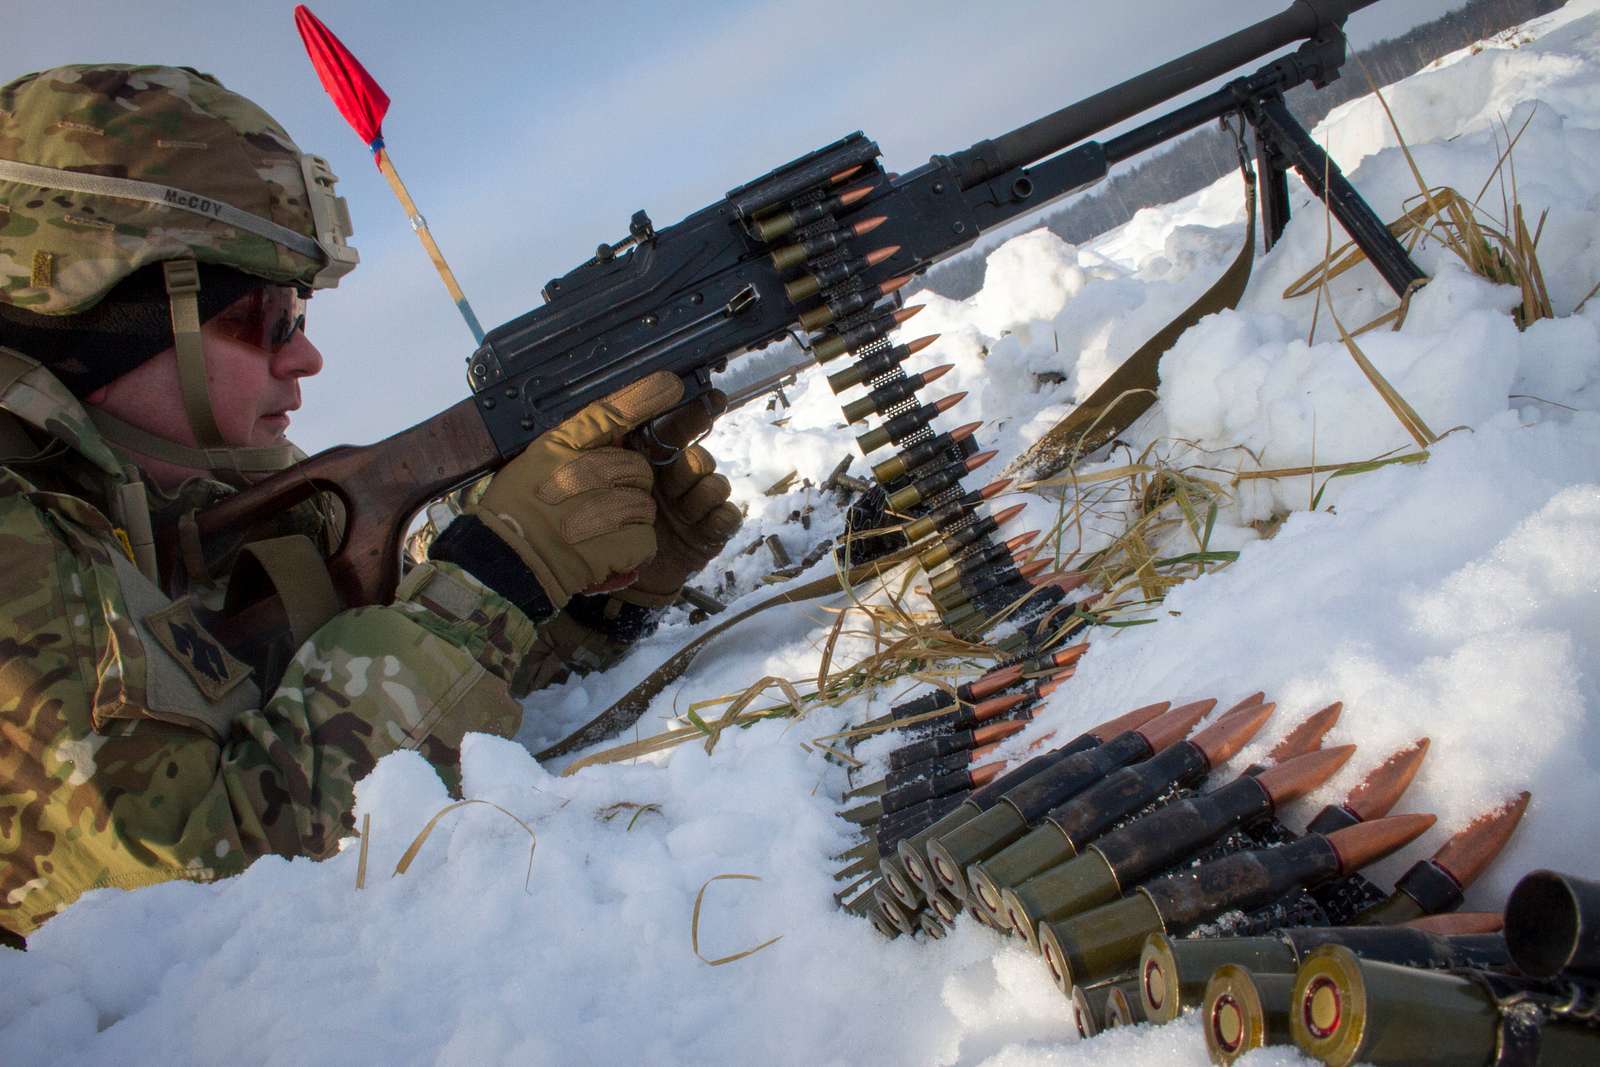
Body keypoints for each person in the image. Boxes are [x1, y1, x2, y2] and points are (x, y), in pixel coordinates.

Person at [0, 64, 741, 947]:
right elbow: (189, 896)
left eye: (299, 311)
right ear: (106, 312)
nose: (305, 356)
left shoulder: (214, 509)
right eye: (266, 316)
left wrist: (580, 599)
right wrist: (495, 575)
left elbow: (365, 736)